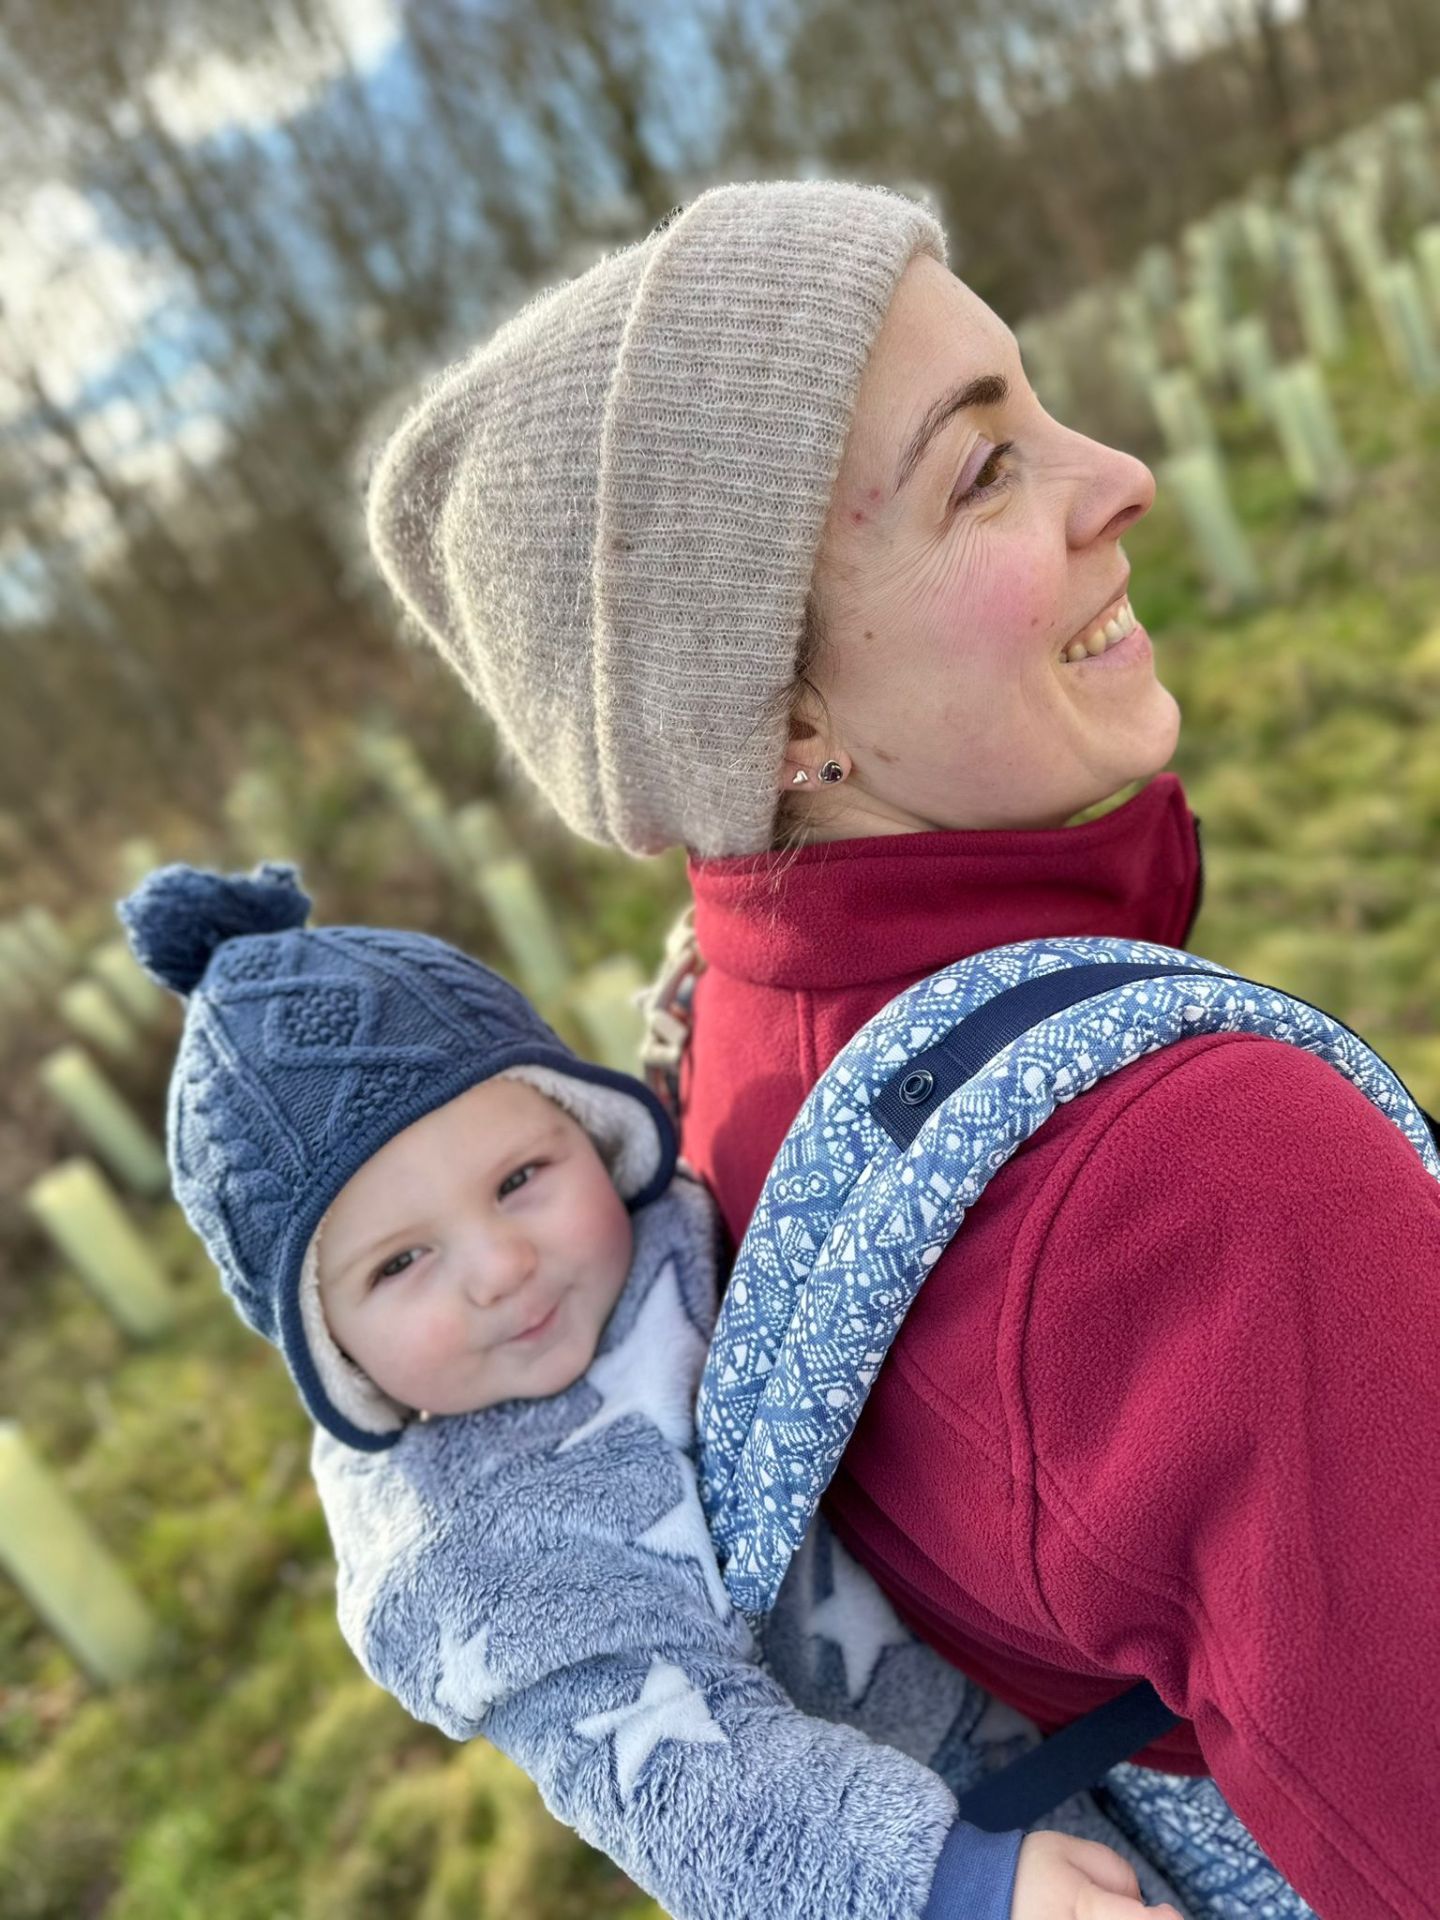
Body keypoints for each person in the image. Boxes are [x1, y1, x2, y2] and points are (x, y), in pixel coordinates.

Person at [362, 177, 1440, 1919]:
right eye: (984, 469)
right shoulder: (1202, 1188)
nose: (1123, 477)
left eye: (1037, 409)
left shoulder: (738, 1046)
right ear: (778, 721)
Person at [113, 858, 1193, 1920]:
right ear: (327, 1343)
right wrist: (952, 1885)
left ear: (588, 1128)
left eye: (519, 1180)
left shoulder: (682, 1232)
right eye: (399, 1264)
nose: (499, 1268)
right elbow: (685, 1789)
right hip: (969, 1851)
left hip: (1113, 1704)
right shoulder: (485, 1554)